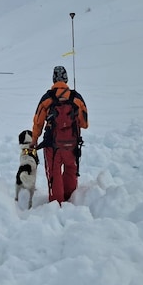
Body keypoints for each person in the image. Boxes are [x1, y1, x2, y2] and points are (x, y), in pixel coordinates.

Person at [31, 66, 88, 204]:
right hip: (72, 145)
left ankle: (57, 204)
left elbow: (38, 122)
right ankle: (71, 200)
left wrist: (34, 140)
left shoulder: (47, 98)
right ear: (66, 79)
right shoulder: (76, 98)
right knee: (71, 171)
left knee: (54, 174)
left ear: (53, 79)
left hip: (52, 145)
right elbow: (84, 124)